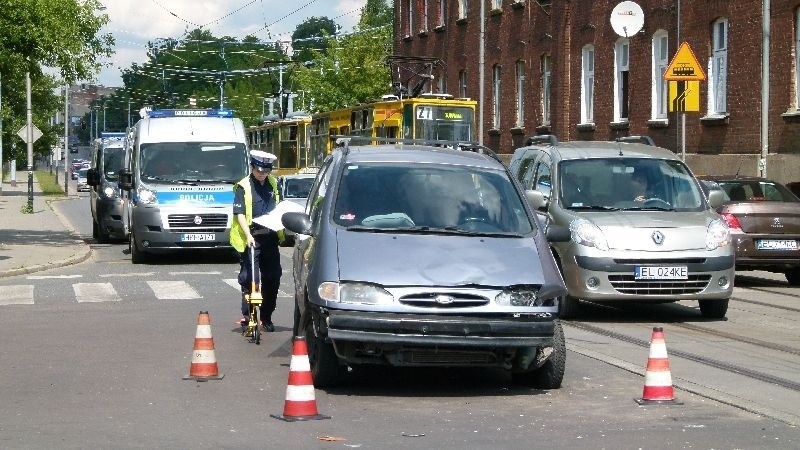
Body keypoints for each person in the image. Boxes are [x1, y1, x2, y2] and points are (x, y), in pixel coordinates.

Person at [230, 150, 283, 332]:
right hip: (252, 238)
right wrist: (248, 235)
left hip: (270, 237)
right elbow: (240, 215)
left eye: (266, 171)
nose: (262, 174)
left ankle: (266, 316)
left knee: (273, 277)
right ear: (252, 167)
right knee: (251, 280)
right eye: (259, 170)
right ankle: (249, 318)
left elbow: (279, 208)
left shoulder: (274, 184)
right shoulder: (243, 186)